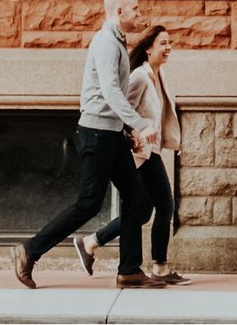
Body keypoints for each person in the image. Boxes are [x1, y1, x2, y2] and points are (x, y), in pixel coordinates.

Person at [14, 0, 157, 288]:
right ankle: (29, 251)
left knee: (139, 201)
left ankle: (129, 268)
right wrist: (140, 124)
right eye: (135, 10)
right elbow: (110, 92)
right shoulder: (106, 43)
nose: (140, 15)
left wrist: (126, 131)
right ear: (120, 12)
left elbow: (113, 99)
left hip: (110, 134)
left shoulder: (116, 42)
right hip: (96, 134)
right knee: (89, 204)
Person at [79, 28, 185, 285]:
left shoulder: (158, 76)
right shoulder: (139, 77)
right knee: (165, 205)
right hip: (142, 152)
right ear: (148, 48)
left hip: (152, 149)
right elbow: (122, 108)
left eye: (169, 42)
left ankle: (91, 242)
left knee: (144, 210)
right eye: (163, 43)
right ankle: (159, 267)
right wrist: (134, 135)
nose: (168, 47)